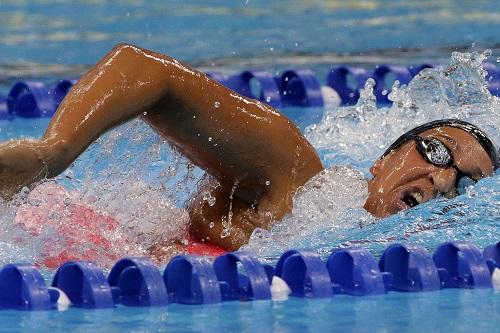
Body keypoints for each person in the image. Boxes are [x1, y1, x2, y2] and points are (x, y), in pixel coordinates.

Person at [0, 44, 498, 256]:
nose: (443, 179)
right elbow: (145, 69)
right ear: (383, 159)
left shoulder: (378, 249)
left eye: (465, 182)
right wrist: (55, 153)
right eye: (437, 153)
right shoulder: (302, 182)